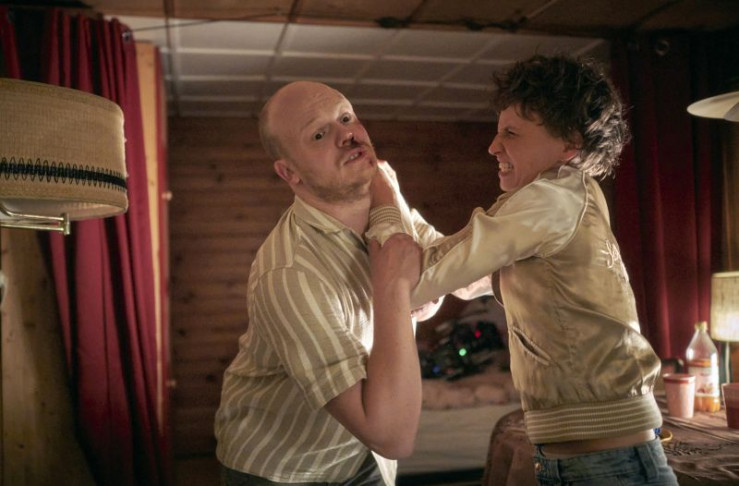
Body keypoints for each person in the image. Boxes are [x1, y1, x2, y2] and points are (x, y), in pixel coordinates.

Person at [368, 54, 678, 485]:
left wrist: (383, 198)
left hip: (604, 460)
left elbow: (426, 277)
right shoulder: (567, 196)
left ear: (569, 143)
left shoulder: (547, 200)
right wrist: (396, 198)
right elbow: (452, 266)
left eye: (511, 133)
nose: (493, 146)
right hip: (593, 454)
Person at [213, 80, 465, 485]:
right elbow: (393, 437)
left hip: (362, 457)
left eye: (346, 117)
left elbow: (445, 259)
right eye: (319, 134)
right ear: (289, 172)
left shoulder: (384, 193)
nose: (347, 134)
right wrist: (395, 290)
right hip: (284, 469)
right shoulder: (290, 274)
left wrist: (431, 287)